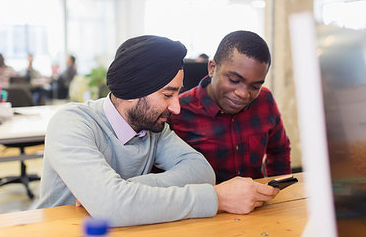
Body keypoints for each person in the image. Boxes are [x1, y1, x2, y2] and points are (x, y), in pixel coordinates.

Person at [37, 35, 279, 227]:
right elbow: (113, 208)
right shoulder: (71, 124)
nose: (176, 107)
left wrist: (123, 190)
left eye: (177, 93)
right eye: (167, 94)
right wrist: (216, 199)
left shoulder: (154, 128)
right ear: (133, 90)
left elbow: (201, 171)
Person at [169, 30, 291, 184]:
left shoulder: (264, 100)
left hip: (258, 204)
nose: (243, 94)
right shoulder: (178, 111)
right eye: (234, 80)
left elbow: (279, 150)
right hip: (206, 205)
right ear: (212, 68)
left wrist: (279, 190)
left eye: (254, 86)